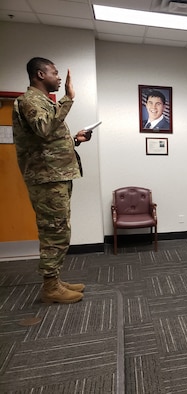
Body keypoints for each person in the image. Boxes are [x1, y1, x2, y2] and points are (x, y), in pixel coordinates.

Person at [12, 57, 92, 304]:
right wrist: (69, 98)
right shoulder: (29, 101)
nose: (59, 78)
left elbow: (47, 140)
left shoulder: (43, 102)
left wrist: (75, 140)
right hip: (47, 178)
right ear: (40, 74)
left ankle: (55, 280)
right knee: (54, 232)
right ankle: (50, 287)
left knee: (59, 230)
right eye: (55, 73)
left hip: (56, 175)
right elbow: (44, 129)